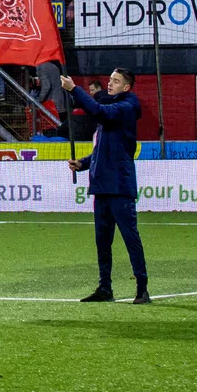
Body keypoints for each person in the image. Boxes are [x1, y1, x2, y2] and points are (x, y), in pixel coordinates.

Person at [62, 69, 150, 304]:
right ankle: (105, 287)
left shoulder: (125, 108)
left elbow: (99, 111)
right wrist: (83, 164)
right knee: (102, 241)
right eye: (110, 80)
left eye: (116, 81)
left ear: (126, 87)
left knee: (130, 237)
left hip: (119, 186)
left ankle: (142, 288)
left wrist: (74, 90)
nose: (110, 84)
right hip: (102, 185)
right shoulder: (114, 109)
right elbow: (103, 150)